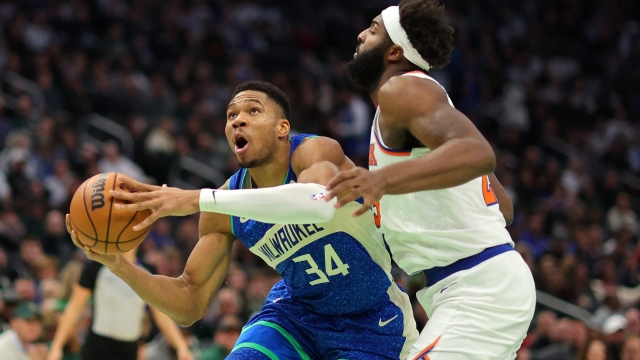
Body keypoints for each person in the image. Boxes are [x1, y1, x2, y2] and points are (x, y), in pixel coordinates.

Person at [68, 80, 419, 359]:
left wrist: (195, 198)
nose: (238, 118)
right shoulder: (225, 208)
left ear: (283, 127)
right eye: (231, 115)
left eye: (253, 110)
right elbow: (189, 302)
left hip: (372, 317)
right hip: (296, 314)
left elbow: (318, 202)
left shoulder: (315, 152)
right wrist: (117, 264)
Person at [323, 0, 536, 358]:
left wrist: (385, 181)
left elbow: (478, 153)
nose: (361, 34)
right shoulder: (416, 108)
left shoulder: (403, 90)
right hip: (472, 285)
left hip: (477, 288)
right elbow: (504, 206)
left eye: (373, 29)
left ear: (394, 52)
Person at [46, 247, 193, 360]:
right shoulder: (96, 267)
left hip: (130, 349)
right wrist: (56, 346)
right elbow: (74, 308)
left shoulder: (148, 271)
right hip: (97, 347)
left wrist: (181, 346)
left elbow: (161, 315)